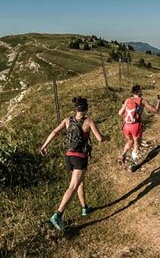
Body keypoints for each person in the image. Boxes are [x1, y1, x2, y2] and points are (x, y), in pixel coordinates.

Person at [39, 96, 106, 230]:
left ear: (75, 109)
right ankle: (57, 215)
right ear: (86, 108)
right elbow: (99, 138)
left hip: (69, 156)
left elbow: (54, 132)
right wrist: (106, 137)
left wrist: (44, 146)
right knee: (73, 186)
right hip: (80, 157)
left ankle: (84, 208)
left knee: (79, 181)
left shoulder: (67, 120)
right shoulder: (88, 121)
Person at [118, 85, 160, 167]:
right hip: (135, 126)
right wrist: (159, 102)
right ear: (139, 91)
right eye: (141, 90)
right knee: (137, 144)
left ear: (133, 92)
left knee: (130, 141)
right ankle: (132, 164)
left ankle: (122, 155)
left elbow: (120, 113)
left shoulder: (127, 100)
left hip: (126, 125)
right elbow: (155, 111)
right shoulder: (142, 101)